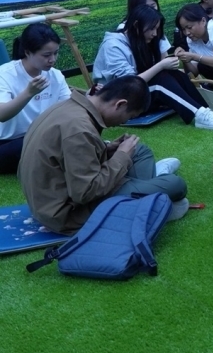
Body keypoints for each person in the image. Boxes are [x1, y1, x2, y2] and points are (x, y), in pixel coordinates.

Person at [18, 76, 188, 234]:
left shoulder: (67, 107)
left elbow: (67, 158)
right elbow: (84, 193)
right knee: (176, 184)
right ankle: (150, 206)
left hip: (49, 199)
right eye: (129, 116)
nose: (124, 122)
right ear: (120, 104)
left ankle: (147, 194)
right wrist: (121, 156)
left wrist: (106, 149)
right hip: (67, 213)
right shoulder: (80, 129)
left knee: (139, 150)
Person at [93, 5, 213, 130]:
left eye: (156, 29)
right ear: (136, 25)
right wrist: (161, 65)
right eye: (152, 29)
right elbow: (129, 85)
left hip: (136, 92)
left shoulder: (140, 40)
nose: (154, 33)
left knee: (172, 73)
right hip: (119, 101)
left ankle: (208, 107)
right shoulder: (113, 46)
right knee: (159, 83)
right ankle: (199, 115)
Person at [0, 24, 71, 174]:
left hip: (40, 136)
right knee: (34, 146)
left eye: (56, 53)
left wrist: (89, 98)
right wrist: (28, 93)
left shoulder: (55, 75)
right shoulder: (5, 74)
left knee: (71, 134)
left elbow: (69, 109)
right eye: (46, 55)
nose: (52, 59)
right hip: (8, 143)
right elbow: (2, 114)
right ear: (27, 52)